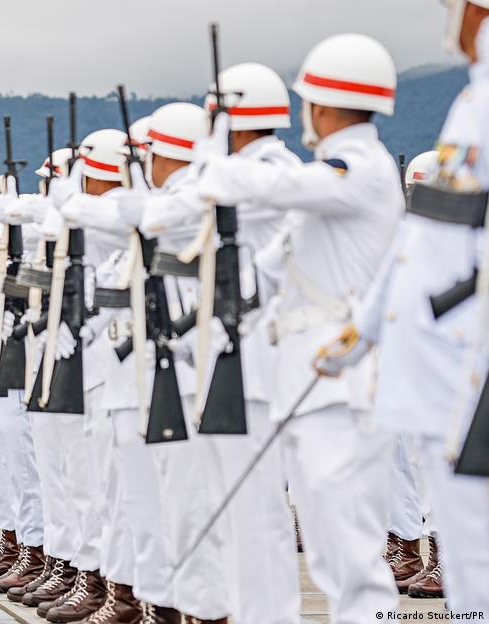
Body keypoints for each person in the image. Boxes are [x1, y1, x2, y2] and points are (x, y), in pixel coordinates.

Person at [198, 33, 404, 622]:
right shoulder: (328, 184)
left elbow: (246, 185)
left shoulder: (357, 170)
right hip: (309, 386)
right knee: (330, 555)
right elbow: (263, 276)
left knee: (352, 560)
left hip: (342, 388)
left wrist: (215, 144)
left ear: (320, 104)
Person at [316, 3, 489, 610]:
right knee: (471, 557)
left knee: (478, 558)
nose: (453, 20)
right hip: (441, 369)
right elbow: (425, 241)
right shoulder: (471, 103)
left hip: (468, 365)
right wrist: (361, 333)